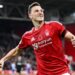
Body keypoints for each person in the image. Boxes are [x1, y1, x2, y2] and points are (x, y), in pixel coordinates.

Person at [0, 2, 75, 75]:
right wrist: (3, 59)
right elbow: (16, 51)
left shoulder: (55, 26)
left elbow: (70, 36)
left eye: (41, 10)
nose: (40, 12)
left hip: (61, 72)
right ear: (30, 15)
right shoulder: (27, 36)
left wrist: (73, 39)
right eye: (36, 11)